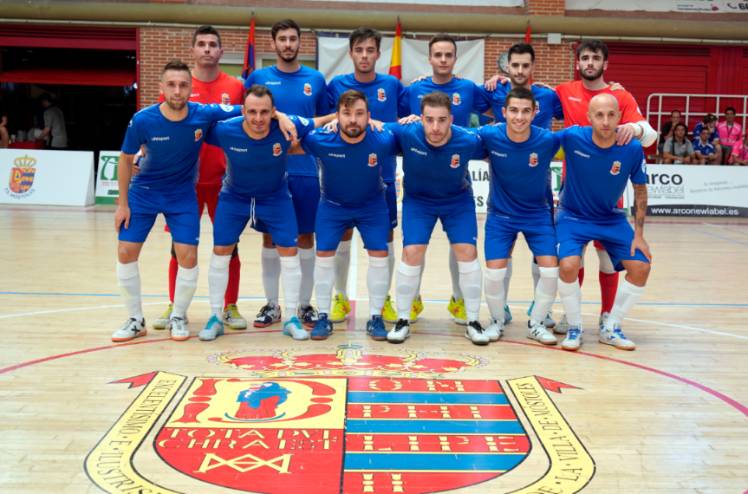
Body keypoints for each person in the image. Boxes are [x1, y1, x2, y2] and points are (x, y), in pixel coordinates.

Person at [110, 60, 243, 343]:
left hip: (181, 195)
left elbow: (248, 109)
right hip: (143, 192)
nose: (177, 90)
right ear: (162, 87)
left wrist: (279, 116)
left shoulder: (201, 113)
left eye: (183, 85)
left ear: (191, 88)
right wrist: (122, 203)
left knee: (188, 256)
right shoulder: (142, 120)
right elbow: (125, 159)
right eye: (171, 84)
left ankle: (179, 316)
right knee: (125, 252)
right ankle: (135, 320)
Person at [199, 85, 325, 341]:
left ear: (273, 112)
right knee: (221, 251)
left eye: (265, 112)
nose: (258, 118)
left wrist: (283, 117)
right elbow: (191, 127)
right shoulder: (225, 130)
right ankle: (215, 317)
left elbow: (322, 120)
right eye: (252, 112)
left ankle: (290, 317)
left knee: (289, 251)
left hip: (275, 197)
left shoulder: (285, 127)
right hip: (234, 197)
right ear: (243, 111)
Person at [553, 39, 656, 336]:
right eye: (585, 58)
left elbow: (649, 135)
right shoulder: (564, 91)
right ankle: (571, 316)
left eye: (595, 58)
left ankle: (607, 315)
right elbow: (532, 101)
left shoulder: (620, 95)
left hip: (609, 196)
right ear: (577, 63)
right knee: (572, 259)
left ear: (605, 63)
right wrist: (501, 80)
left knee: (608, 261)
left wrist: (634, 128)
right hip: (575, 190)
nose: (590, 63)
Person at [153, 25, 247, 332]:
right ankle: (175, 305)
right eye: (202, 44)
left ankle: (229, 306)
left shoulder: (236, 86)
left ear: (221, 51)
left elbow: (248, 124)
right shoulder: (178, 86)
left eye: (212, 44)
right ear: (193, 50)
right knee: (178, 247)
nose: (207, 49)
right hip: (184, 183)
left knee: (229, 246)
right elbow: (160, 128)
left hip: (225, 182)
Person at [244, 19, 331, 330]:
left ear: (300, 42)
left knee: (306, 237)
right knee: (270, 238)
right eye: (282, 39)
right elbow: (247, 117)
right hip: (269, 173)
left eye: (293, 38)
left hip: (306, 171)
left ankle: (304, 305)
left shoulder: (316, 79)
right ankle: (272, 304)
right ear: (273, 43)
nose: (288, 44)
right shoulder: (259, 78)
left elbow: (326, 120)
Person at [403, 33, 492, 326]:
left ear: (455, 58)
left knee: (462, 246)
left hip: (456, 176)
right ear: (429, 58)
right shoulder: (415, 89)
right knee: (415, 247)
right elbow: (395, 120)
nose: (443, 60)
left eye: (448, 55)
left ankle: (460, 300)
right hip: (420, 182)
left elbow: (501, 105)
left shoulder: (468, 88)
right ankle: (411, 300)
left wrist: (500, 81)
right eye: (437, 55)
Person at [386, 91, 488, 345]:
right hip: (418, 202)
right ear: (420, 118)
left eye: (442, 120)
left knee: (467, 251)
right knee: (412, 252)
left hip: (457, 201)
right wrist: (334, 122)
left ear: (451, 119)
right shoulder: (406, 132)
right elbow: (371, 127)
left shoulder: (468, 140)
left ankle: (473, 320)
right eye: (429, 119)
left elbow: (499, 142)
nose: (435, 127)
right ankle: (403, 319)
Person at [326, 27, 411, 326]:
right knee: (342, 237)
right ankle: (339, 296)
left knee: (385, 240)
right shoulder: (336, 85)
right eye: (359, 50)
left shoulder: (392, 85)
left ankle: (383, 297)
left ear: (378, 53)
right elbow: (325, 121)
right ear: (351, 53)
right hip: (342, 177)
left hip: (382, 177)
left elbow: (406, 120)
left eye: (370, 50)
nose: (364, 55)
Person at [298, 90, 396, 341]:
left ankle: (375, 317)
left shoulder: (383, 138)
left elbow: (416, 133)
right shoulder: (321, 139)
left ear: (369, 116)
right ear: (337, 116)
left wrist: (412, 118)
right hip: (333, 206)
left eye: (359, 114)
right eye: (347, 113)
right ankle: (323, 316)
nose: (353, 120)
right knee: (323, 256)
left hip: (372, 206)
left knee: (380, 255)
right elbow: (290, 140)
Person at [484, 42, 563, 331]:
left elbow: (579, 114)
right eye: (514, 65)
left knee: (544, 258)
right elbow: (454, 102)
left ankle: (539, 311)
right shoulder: (493, 90)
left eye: (525, 65)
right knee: (501, 256)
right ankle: (499, 310)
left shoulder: (548, 95)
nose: (519, 70)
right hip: (504, 188)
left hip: (538, 189)